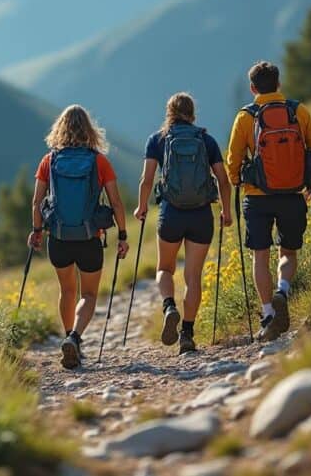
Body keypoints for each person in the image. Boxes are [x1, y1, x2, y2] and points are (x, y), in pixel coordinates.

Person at [225, 62, 311, 342]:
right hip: (293, 194)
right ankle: (283, 289)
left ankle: (269, 312)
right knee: (288, 251)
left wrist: (238, 180)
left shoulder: (246, 117)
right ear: (278, 84)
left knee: (259, 255)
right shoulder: (297, 111)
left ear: (253, 88)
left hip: (257, 197)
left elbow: (233, 160)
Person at [28, 105, 129, 369]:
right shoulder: (99, 161)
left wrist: (37, 231)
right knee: (89, 294)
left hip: (59, 237)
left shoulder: (49, 161)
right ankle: (75, 338)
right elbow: (117, 202)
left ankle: (68, 337)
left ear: (59, 128)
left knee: (67, 290)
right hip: (89, 238)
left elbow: (37, 201)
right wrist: (122, 235)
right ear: (89, 130)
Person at [135, 93, 232, 354]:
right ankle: (187, 334)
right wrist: (227, 211)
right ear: (192, 113)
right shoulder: (206, 140)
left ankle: (169, 307)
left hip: (171, 214)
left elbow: (146, 179)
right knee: (193, 277)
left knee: (165, 269)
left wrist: (142, 206)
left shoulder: (157, 140)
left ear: (169, 113)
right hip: (201, 216)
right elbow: (223, 180)